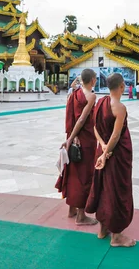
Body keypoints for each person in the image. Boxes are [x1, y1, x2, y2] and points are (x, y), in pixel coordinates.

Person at [85, 73, 135, 248]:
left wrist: (102, 147)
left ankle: (103, 229)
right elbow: (116, 136)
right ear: (122, 86)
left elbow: (95, 128)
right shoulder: (119, 107)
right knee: (115, 191)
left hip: (102, 151)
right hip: (115, 155)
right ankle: (117, 236)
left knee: (103, 188)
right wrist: (107, 153)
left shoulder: (100, 102)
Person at [55, 68, 98, 226]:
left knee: (74, 174)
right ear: (93, 80)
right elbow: (81, 120)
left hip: (74, 139)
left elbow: (72, 117)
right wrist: (72, 138)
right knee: (85, 176)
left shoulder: (75, 94)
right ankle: (81, 215)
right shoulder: (91, 96)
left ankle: (71, 209)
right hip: (85, 141)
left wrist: (69, 139)